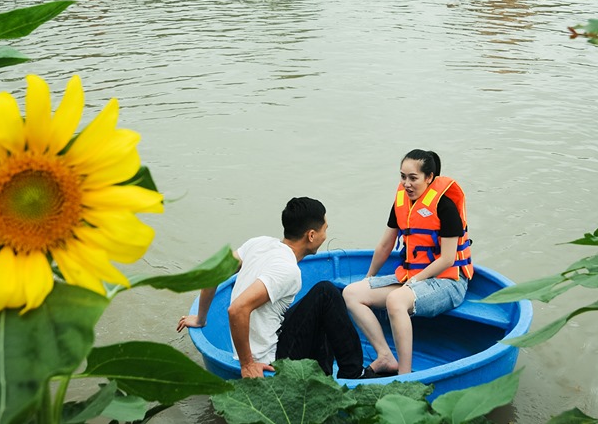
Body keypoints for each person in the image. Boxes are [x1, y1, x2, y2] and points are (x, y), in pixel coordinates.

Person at [177, 197, 375, 380]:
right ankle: (354, 373)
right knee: (327, 293)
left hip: (263, 340)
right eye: (325, 229)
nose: (325, 236)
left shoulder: (259, 243)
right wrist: (247, 365)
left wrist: (201, 318)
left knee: (319, 303)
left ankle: (322, 374)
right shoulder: (287, 270)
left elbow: (211, 273)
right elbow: (237, 309)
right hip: (270, 359)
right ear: (311, 235)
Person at [342, 150, 473, 376]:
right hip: (411, 277)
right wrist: (369, 278)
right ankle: (385, 357)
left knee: (396, 300)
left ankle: (405, 376)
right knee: (352, 293)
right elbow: (385, 245)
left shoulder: (445, 207)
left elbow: (448, 259)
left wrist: (414, 281)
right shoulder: (402, 202)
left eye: (413, 178)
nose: (406, 184)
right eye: (403, 177)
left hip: (448, 281)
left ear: (429, 177)